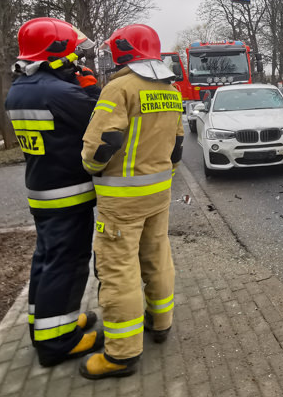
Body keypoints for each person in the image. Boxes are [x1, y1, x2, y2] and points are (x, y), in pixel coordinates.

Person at [79, 24, 184, 380]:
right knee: (157, 256)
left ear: (123, 51)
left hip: (123, 200)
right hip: (159, 193)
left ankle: (121, 354)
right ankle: (161, 322)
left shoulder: (119, 88)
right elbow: (178, 146)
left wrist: (91, 169)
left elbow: (100, 143)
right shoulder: (171, 90)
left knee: (119, 271)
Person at [4, 17, 103, 367]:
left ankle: (44, 323)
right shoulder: (59, 92)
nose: (77, 60)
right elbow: (98, 122)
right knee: (68, 262)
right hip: (67, 192)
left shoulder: (21, 88)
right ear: (57, 52)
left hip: (42, 189)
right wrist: (90, 89)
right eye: (73, 54)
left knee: (46, 260)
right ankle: (58, 341)